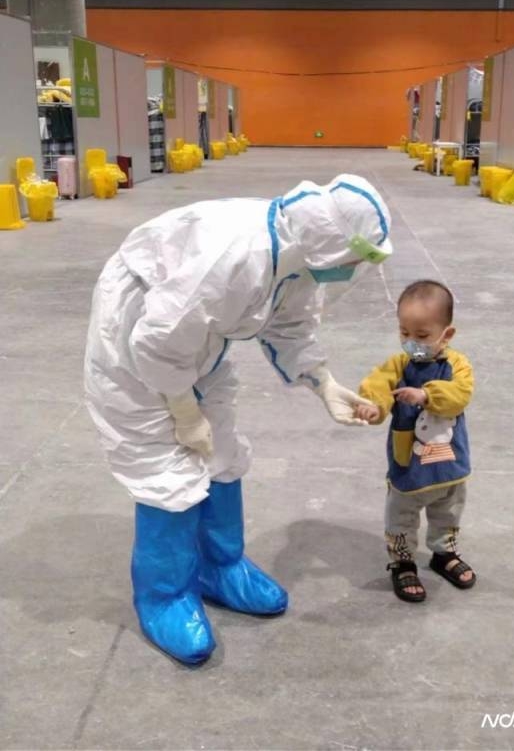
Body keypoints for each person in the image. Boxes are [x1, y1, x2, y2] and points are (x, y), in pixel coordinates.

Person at [84, 175, 392, 664]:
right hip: (139, 322)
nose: (355, 270)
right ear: (336, 243)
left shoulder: (299, 255)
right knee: (163, 461)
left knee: (220, 449)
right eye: (359, 258)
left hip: (193, 330)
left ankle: (220, 567)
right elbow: (158, 341)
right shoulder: (235, 259)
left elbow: (290, 324)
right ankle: (164, 596)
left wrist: (323, 383)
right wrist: (184, 412)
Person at [356, 280, 476, 603]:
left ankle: (444, 553)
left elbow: (460, 394)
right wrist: (374, 406)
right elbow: (378, 384)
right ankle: (403, 561)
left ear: (446, 335)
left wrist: (426, 395)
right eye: (404, 332)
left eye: (422, 335)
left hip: (449, 462)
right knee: (401, 515)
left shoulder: (457, 365)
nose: (412, 342)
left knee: (448, 511)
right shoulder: (399, 365)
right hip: (410, 463)